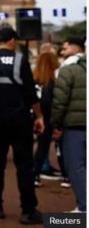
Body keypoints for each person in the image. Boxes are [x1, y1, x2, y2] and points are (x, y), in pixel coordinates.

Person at [0, 26, 44, 224]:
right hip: (19, 120)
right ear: (11, 40)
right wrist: (39, 116)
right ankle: (28, 210)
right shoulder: (20, 60)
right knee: (24, 166)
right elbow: (30, 93)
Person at [51, 36, 86, 212]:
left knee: (75, 168)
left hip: (75, 126)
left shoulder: (68, 70)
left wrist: (56, 125)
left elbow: (59, 102)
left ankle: (83, 207)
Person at [31, 52, 60, 187]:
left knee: (39, 147)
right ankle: (34, 174)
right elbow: (49, 102)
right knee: (42, 147)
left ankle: (34, 174)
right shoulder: (51, 82)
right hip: (46, 118)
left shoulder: (35, 78)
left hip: (33, 116)